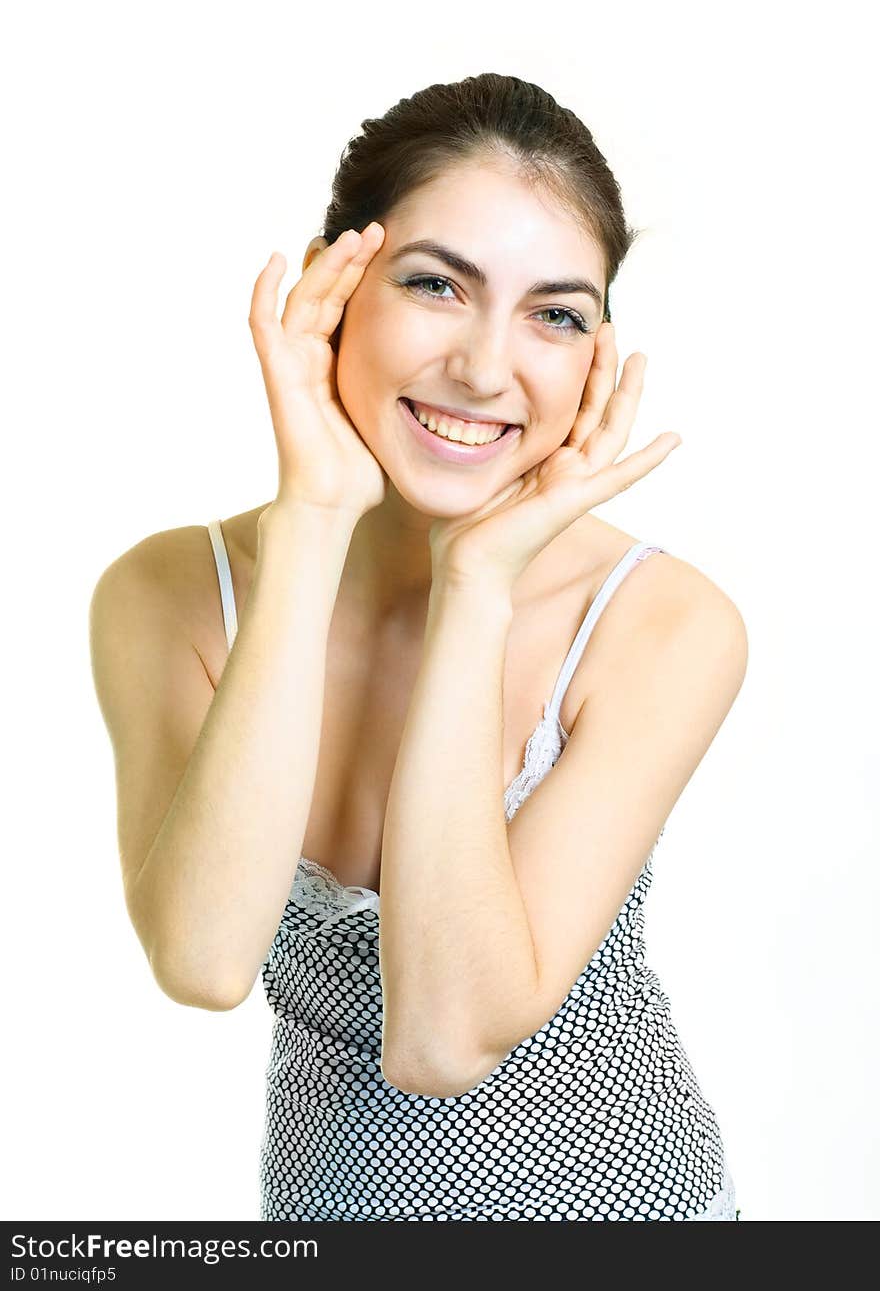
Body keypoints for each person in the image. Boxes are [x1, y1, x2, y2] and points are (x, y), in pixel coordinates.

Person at [89, 73, 747, 1221]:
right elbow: (201, 959)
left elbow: (444, 1033)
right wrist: (310, 521)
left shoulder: (661, 622)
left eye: (554, 313)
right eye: (437, 284)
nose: (487, 370)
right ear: (333, 286)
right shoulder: (170, 594)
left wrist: (475, 586)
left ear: (595, 353)